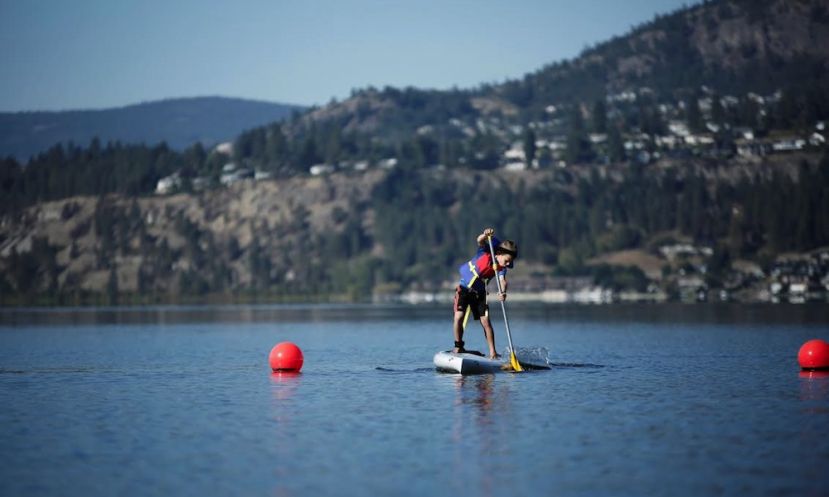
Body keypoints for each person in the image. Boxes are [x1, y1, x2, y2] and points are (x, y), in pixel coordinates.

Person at [452, 227, 518, 359]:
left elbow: (502, 281)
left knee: (486, 321)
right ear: (498, 253)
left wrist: (503, 293)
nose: (507, 264)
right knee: (458, 317)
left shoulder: (501, 268)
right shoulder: (485, 251)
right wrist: (484, 234)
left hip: (480, 293)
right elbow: (480, 241)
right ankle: (458, 346)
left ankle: (493, 352)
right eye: (506, 261)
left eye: (510, 262)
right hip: (464, 289)